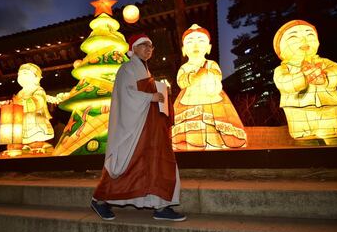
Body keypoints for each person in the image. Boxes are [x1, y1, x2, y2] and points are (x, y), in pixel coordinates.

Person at [91, 34, 186, 221]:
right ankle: (99, 200)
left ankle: (160, 206)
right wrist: (150, 97)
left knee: (155, 164)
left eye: (151, 46)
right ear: (133, 48)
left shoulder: (145, 70)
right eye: (144, 45)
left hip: (150, 126)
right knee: (128, 163)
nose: (149, 48)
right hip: (136, 128)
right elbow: (126, 95)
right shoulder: (126, 68)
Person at [172, 24, 246, 151]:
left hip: (212, 97)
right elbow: (181, 81)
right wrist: (192, 77)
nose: (195, 45)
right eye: (190, 42)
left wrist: (207, 75)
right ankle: (192, 142)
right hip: (189, 99)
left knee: (213, 121)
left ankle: (215, 142)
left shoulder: (211, 64)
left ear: (209, 48)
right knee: (192, 125)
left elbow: (217, 75)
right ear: (184, 49)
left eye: (201, 41)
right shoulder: (185, 67)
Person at [273, 20, 337, 140]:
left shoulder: (325, 63)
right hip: (297, 108)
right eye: (293, 37)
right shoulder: (283, 69)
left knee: (330, 132)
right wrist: (303, 76)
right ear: (281, 48)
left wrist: (325, 78)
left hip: (328, 106)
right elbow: (284, 83)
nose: (304, 40)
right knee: (304, 135)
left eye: (309, 35)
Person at [12, 63, 54, 154]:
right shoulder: (20, 92)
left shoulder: (38, 89)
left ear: (36, 77)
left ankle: (39, 146)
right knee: (21, 137)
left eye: (25, 73)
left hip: (36, 117)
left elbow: (39, 101)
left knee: (36, 136)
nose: (22, 76)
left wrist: (22, 103)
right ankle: (25, 146)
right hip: (22, 118)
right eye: (20, 74)